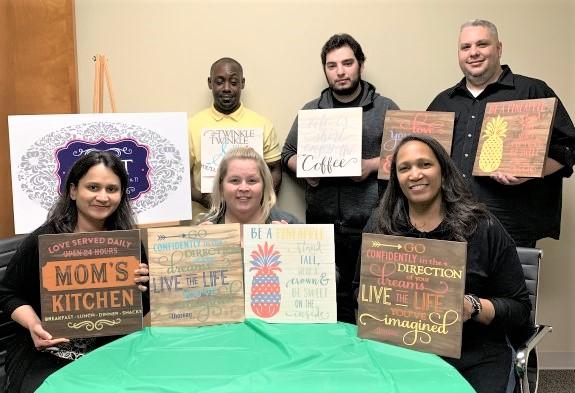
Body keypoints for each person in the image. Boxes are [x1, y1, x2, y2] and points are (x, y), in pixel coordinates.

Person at [356, 135, 531, 393]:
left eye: (425, 164)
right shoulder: (381, 225)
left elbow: (519, 309)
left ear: (443, 170)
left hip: (474, 355)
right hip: (400, 353)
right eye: (404, 168)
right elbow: (356, 290)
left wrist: (472, 306)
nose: (415, 174)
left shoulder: (483, 226)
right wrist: (374, 298)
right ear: (397, 179)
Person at [0, 151, 150, 393]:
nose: (103, 197)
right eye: (93, 187)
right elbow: (8, 294)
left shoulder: (128, 243)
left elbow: (139, 309)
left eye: (112, 189)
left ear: (121, 195)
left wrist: (140, 288)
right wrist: (33, 324)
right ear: (73, 191)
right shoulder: (44, 239)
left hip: (107, 347)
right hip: (46, 349)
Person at [281, 33, 399, 323]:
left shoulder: (385, 108)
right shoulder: (311, 111)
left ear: (360, 64)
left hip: (371, 222)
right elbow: (287, 154)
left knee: (373, 299)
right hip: (322, 224)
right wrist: (306, 169)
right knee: (330, 301)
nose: (341, 71)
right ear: (325, 69)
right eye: (332, 66)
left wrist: (371, 165)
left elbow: (406, 158)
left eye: (347, 63)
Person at [427, 19, 575, 247]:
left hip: (511, 229)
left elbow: (568, 147)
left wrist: (531, 171)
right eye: (466, 47)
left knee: (512, 285)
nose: (473, 53)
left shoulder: (532, 91)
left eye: (482, 44)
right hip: (449, 227)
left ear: (499, 48)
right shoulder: (442, 102)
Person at [189, 57, 282, 219]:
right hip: (206, 220)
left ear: (242, 83)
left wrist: (258, 199)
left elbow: (274, 169)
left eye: (233, 82)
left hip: (255, 220)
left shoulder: (262, 124)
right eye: (219, 82)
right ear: (210, 83)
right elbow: (182, 176)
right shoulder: (191, 126)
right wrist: (207, 200)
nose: (226, 88)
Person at [201, 146, 299, 226]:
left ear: (264, 186)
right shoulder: (205, 229)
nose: (244, 188)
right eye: (235, 180)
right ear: (221, 187)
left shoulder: (290, 225)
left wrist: (289, 245)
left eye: (252, 181)